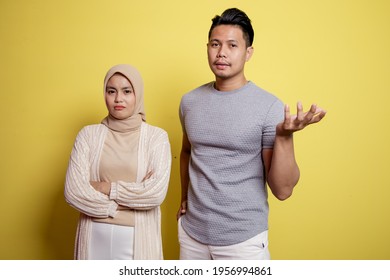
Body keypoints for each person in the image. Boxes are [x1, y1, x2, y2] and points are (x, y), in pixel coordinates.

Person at [177, 8, 326, 260]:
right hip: (192, 237)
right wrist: (184, 199)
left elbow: (283, 190)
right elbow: (187, 152)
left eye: (232, 45)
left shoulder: (268, 107)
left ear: (248, 53)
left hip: (243, 242)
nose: (221, 52)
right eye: (215, 44)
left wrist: (284, 136)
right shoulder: (189, 102)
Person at [64, 64, 171, 260]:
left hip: (137, 241)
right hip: (94, 237)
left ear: (137, 94)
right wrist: (125, 203)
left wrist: (104, 187)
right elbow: (73, 191)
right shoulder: (88, 135)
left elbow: (154, 194)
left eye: (127, 91)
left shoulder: (156, 138)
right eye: (111, 91)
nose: (118, 99)